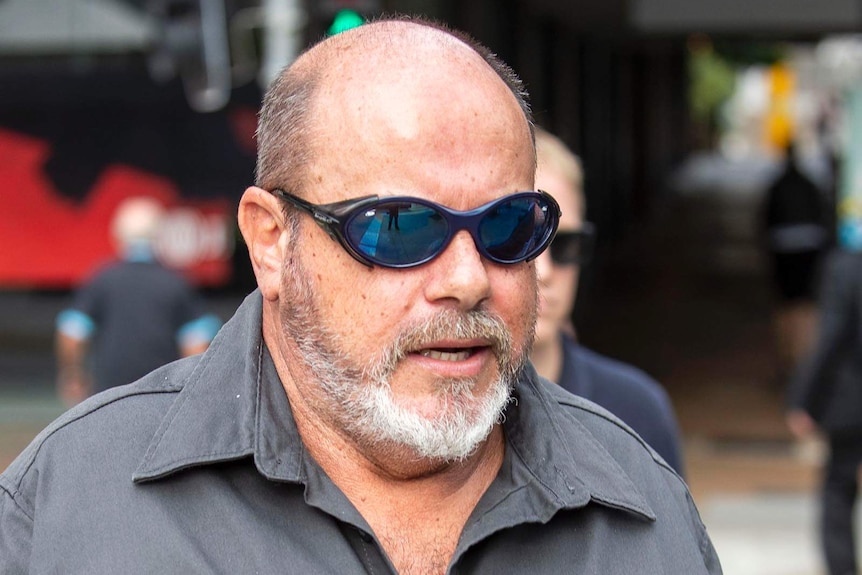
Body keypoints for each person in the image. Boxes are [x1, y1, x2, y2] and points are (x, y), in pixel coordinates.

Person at [1, 18, 722, 574]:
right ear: (270, 241)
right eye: (403, 228)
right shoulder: (72, 507)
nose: (468, 278)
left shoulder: (643, 511)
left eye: (510, 227)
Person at [530, 127, 685, 476]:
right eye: (523, 240)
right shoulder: (438, 416)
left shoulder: (635, 410)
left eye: (566, 245)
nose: (545, 271)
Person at [54, 196, 221, 405]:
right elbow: (196, 344)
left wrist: (73, 375)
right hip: (161, 397)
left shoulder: (102, 280)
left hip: (107, 397)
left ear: (118, 235)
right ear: (159, 236)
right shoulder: (177, 283)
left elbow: (72, 333)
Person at [787, 246, 862, 575]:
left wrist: (804, 401)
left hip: (852, 402)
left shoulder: (845, 267)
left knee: (838, 490)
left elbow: (830, 338)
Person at [761, 140, 830, 385]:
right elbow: (823, 214)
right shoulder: (809, 184)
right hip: (809, 248)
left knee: (787, 304)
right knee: (805, 304)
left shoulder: (778, 185)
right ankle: (802, 359)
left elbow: (766, 219)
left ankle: (791, 359)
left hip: (784, 249)